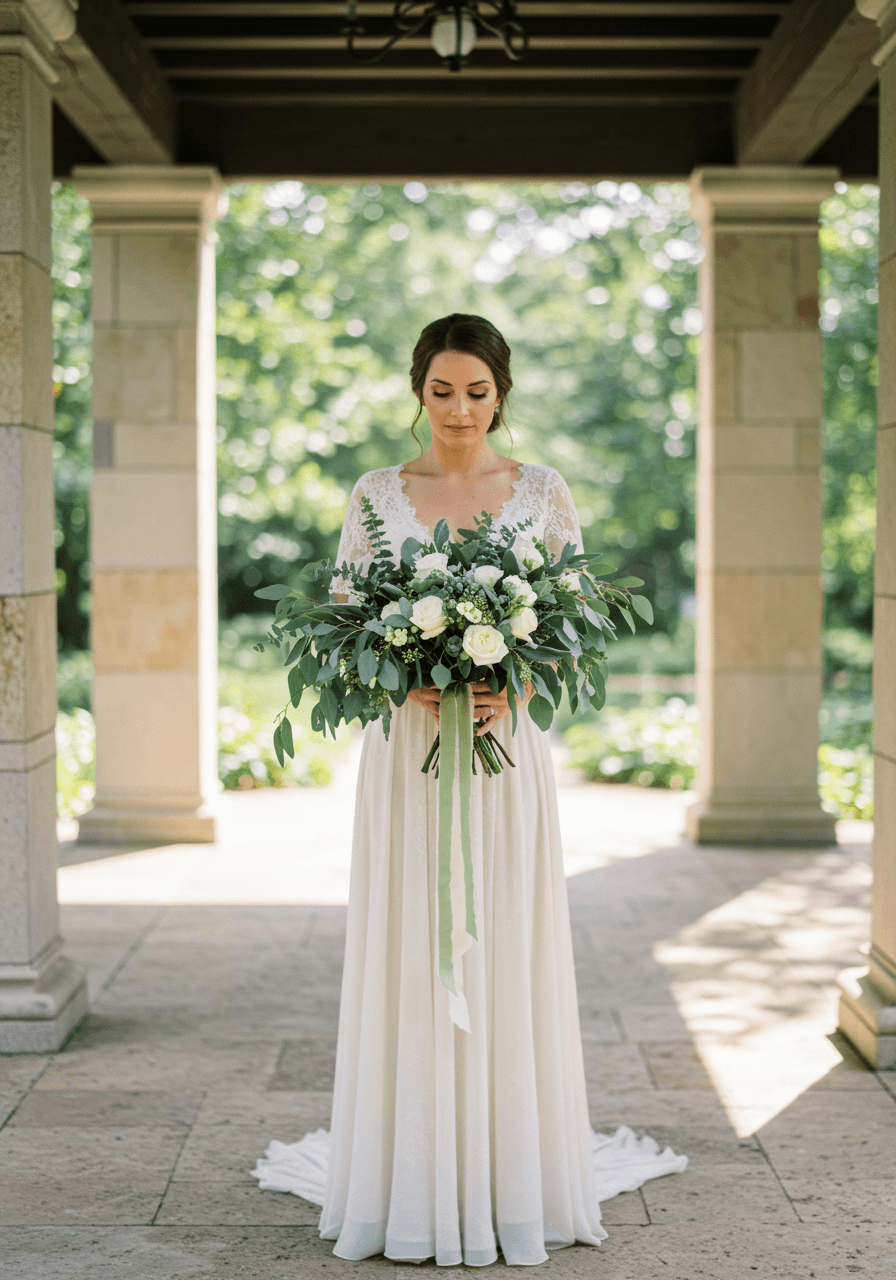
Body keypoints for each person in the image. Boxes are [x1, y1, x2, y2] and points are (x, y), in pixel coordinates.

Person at [252, 314, 686, 1266]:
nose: (459, 411)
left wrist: (515, 682)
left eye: (477, 392)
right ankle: (410, 1173)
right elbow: (346, 630)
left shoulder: (542, 492)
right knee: (413, 937)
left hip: (504, 758)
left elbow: (572, 626)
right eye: (442, 391)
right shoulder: (375, 496)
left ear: (502, 394)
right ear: (418, 391)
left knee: (504, 937)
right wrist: (397, 675)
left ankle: (505, 1170)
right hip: (408, 755)